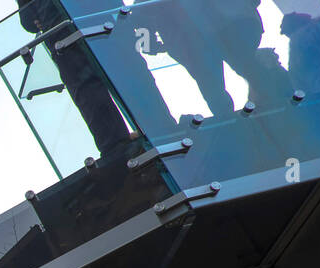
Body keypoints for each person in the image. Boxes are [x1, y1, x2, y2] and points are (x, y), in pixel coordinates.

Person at [17, 0, 176, 153]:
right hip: (102, 16)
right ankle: (162, 130)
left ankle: (119, 148)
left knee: (89, 88)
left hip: (62, 27)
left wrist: (39, 18)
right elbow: (29, 19)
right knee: (130, 74)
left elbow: (28, 19)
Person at [142, 0, 296, 117]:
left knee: (219, 83)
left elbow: (139, 17)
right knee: (238, 72)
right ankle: (280, 103)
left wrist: (150, 44)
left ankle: (277, 105)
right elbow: (139, 16)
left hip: (220, 28)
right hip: (214, 30)